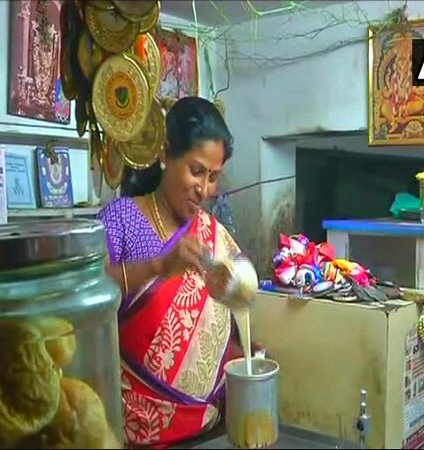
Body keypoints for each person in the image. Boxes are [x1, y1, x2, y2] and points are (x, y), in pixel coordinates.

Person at [98, 97, 255, 448]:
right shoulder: (121, 220)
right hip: (134, 434)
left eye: (213, 177)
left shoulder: (214, 235)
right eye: (196, 171)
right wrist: (160, 265)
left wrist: (241, 353)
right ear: (166, 154)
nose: (205, 189)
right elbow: (90, 300)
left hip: (208, 431)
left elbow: (221, 327)